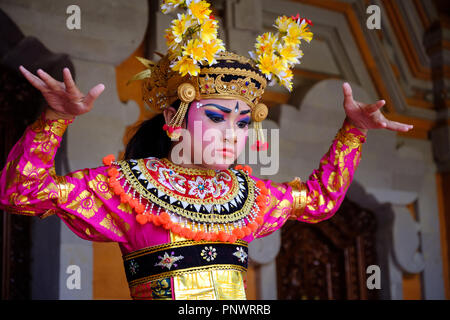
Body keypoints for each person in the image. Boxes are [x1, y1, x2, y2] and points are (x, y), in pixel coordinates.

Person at [0, 1, 413, 300]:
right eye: (217, 117)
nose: (233, 133)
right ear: (176, 122)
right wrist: (53, 120)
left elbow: (320, 200)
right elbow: (21, 194)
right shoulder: (126, 189)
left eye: (243, 122)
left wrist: (353, 132)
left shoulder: (251, 199)